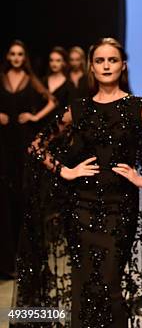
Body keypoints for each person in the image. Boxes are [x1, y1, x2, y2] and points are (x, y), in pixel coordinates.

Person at [13, 38, 142, 327]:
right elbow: (37, 146)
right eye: (100, 61)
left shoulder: (138, 106)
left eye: (112, 60)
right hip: (81, 206)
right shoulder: (79, 108)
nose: (106, 65)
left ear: (123, 65)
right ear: (92, 67)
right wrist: (66, 171)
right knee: (85, 284)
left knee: (110, 285)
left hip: (120, 206)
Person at [0, 40, 56, 279]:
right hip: (2, 140)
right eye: (12, 54)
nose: (16, 57)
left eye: (20, 54)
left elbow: (52, 101)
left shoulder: (31, 79)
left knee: (24, 192)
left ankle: (27, 256)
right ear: (8, 56)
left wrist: (34, 117)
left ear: (25, 58)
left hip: (23, 139)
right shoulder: (1, 78)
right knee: (5, 194)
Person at [43, 46, 77, 124]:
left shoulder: (69, 85)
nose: (54, 64)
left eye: (58, 60)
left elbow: (71, 110)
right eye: (51, 60)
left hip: (60, 126)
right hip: (41, 124)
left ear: (64, 63)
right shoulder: (43, 81)